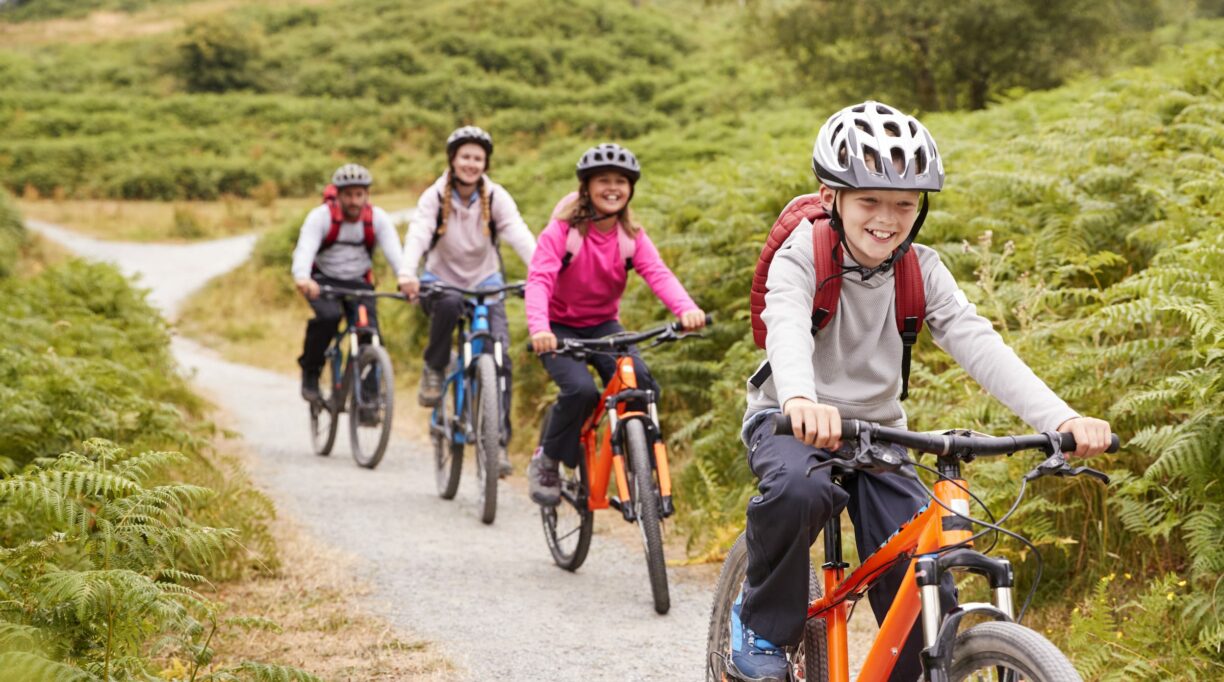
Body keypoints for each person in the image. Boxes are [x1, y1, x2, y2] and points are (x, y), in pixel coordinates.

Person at [730, 101, 1114, 682]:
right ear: (830, 196)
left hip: (878, 433)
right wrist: (801, 401)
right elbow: (784, 322)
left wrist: (1062, 418)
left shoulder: (922, 270)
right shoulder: (802, 255)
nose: (887, 218)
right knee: (798, 493)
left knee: (920, 565)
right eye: (869, 201)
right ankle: (759, 624)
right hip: (789, 420)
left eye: (904, 204)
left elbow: (980, 345)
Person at [524, 143, 706, 506]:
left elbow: (658, 274)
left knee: (641, 384)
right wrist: (540, 329)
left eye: (621, 181)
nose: (613, 188)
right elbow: (539, 279)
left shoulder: (630, 236)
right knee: (580, 392)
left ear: (630, 189)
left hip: (604, 324)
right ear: (586, 188)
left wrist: (687, 309)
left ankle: (644, 468)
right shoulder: (562, 232)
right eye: (603, 180)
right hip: (558, 327)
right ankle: (547, 459)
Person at [398, 125, 535, 476]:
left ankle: (498, 443)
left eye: (478, 158)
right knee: (447, 304)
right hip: (441, 279)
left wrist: (541, 273)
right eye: (465, 157)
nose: (471, 164)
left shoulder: (495, 196)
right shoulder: (435, 196)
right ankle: (435, 367)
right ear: (453, 160)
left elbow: (518, 233)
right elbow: (418, 233)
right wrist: (406, 272)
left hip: (486, 280)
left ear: (485, 163)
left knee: (500, 357)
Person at [292, 164, 404, 404]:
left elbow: (396, 255)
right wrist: (303, 277)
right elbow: (305, 250)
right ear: (338, 195)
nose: (354, 201)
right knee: (328, 319)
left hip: (358, 284)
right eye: (348, 195)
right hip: (323, 282)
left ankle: (369, 399)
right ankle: (311, 372)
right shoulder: (320, 217)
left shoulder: (377, 219)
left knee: (370, 335)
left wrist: (406, 279)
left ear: (367, 195)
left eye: (359, 194)